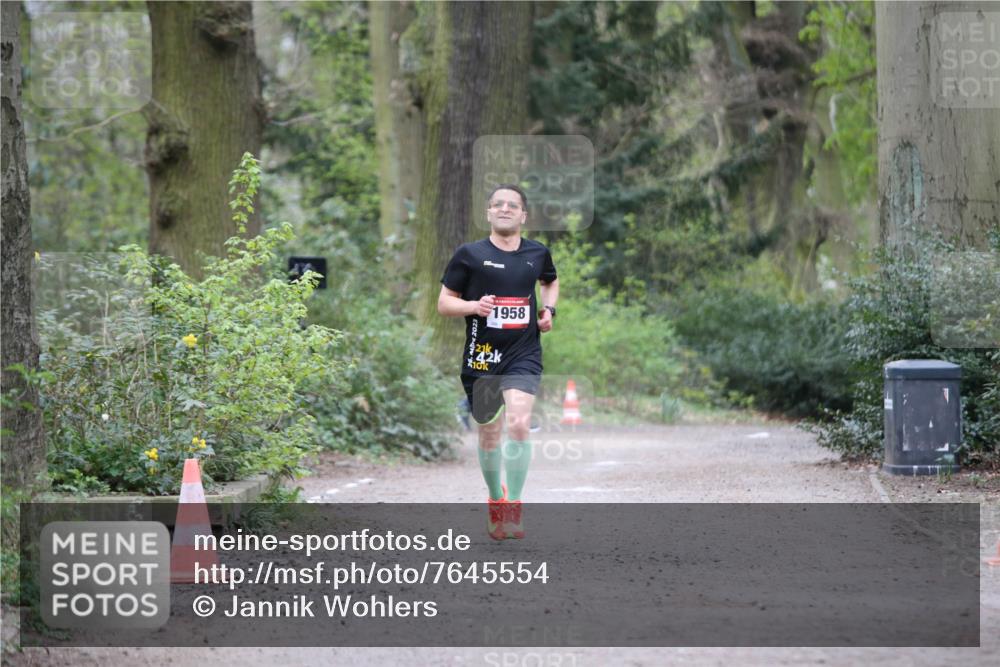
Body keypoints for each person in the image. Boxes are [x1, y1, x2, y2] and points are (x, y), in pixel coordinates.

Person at [437, 184, 559, 540]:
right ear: (489, 213)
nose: (505, 209)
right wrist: (475, 306)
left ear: (523, 215)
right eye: (498, 204)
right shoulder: (469, 255)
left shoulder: (538, 253)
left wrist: (548, 310)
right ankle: (495, 499)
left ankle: (514, 505)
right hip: (482, 356)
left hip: (523, 352)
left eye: (513, 205)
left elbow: (550, 282)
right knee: (489, 433)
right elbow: (444, 303)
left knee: (519, 423)